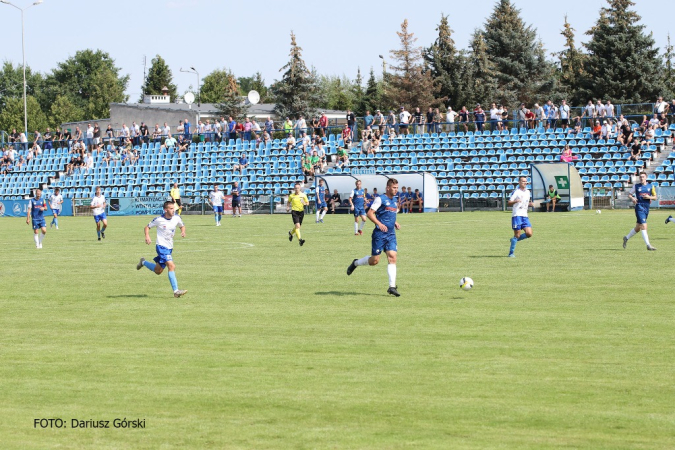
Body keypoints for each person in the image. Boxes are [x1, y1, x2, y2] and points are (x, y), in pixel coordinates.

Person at [346, 178, 401, 297]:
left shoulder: (394, 201)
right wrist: (379, 224)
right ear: (388, 188)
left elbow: (390, 214)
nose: (396, 190)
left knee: (392, 257)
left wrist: (395, 222)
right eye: (394, 188)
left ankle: (392, 286)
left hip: (391, 234)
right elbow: (370, 213)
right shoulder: (380, 199)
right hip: (379, 235)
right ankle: (356, 263)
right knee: (374, 261)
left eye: (397, 187)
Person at [136, 200, 188, 298]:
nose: (173, 210)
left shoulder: (177, 217)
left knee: (158, 271)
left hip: (169, 247)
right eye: (171, 209)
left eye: (174, 208)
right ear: (165, 210)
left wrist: (183, 231)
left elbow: (182, 226)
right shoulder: (159, 219)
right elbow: (147, 227)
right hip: (161, 246)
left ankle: (143, 262)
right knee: (171, 266)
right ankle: (176, 291)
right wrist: (147, 236)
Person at [623, 172, 657, 251]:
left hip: (646, 207)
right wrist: (633, 199)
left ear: (646, 177)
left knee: (638, 227)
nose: (641, 178)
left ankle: (626, 238)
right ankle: (648, 245)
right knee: (644, 226)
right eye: (640, 177)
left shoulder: (651, 186)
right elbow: (629, 194)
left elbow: (655, 197)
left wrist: (649, 197)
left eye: (643, 177)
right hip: (639, 207)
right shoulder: (636, 186)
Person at [508, 176, 534, 257]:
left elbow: (525, 202)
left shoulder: (528, 192)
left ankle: (514, 240)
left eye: (526, 181)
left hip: (525, 216)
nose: (525, 183)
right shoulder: (516, 192)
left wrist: (530, 204)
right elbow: (509, 202)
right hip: (517, 215)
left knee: (529, 233)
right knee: (517, 235)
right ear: (519, 182)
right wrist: (515, 201)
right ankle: (511, 253)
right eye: (523, 181)